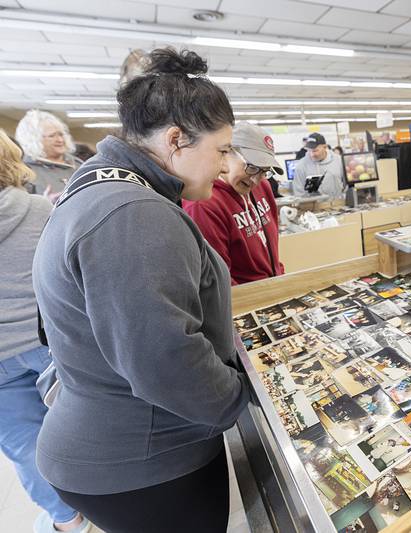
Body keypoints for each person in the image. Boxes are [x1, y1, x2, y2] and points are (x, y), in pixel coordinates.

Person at [32, 48, 250, 533]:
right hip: (142, 461)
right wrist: (240, 400)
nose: (227, 165)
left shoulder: (100, 188)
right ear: (176, 139)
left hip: (121, 446)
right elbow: (163, 358)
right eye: (222, 149)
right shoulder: (134, 214)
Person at [0, 129, 90, 533]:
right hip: (49, 341)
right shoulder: (39, 209)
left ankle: (67, 520)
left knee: (23, 445)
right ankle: (100, 496)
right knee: (81, 421)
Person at [185, 121, 285, 285]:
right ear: (225, 154)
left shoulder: (263, 187)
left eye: (264, 171)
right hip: (246, 300)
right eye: (252, 167)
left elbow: (272, 248)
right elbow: (219, 280)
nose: (255, 179)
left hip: (273, 288)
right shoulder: (203, 205)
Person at [15, 110, 82, 199]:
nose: (60, 140)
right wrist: (45, 202)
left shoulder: (78, 164)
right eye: (52, 136)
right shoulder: (24, 171)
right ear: (34, 139)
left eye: (61, 134)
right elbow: (21, 205)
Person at [292, 132, 346, 199]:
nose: (312, 154)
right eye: (309, 151)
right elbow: (299, 194)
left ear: (325, 147)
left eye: (315, 151)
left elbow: (346, 184)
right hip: (312, 207)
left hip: (337, 204)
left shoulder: (339, 160)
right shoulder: (301, 166)